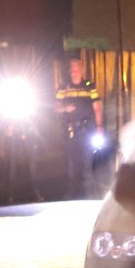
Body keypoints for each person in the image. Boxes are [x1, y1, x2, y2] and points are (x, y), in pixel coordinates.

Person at [54, 54, 101, 198]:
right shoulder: (64, 88)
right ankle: (72, 194)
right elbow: (56, 107)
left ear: (81, 70)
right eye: (72, 70)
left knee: (88, 161)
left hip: (87, 129)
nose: (74, 73)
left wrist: (99, 128)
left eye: (76, 70)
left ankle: (89, 194)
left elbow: (97, 108)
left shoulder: (89, 86)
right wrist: (65, 108)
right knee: (71, 162)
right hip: (71, 130)